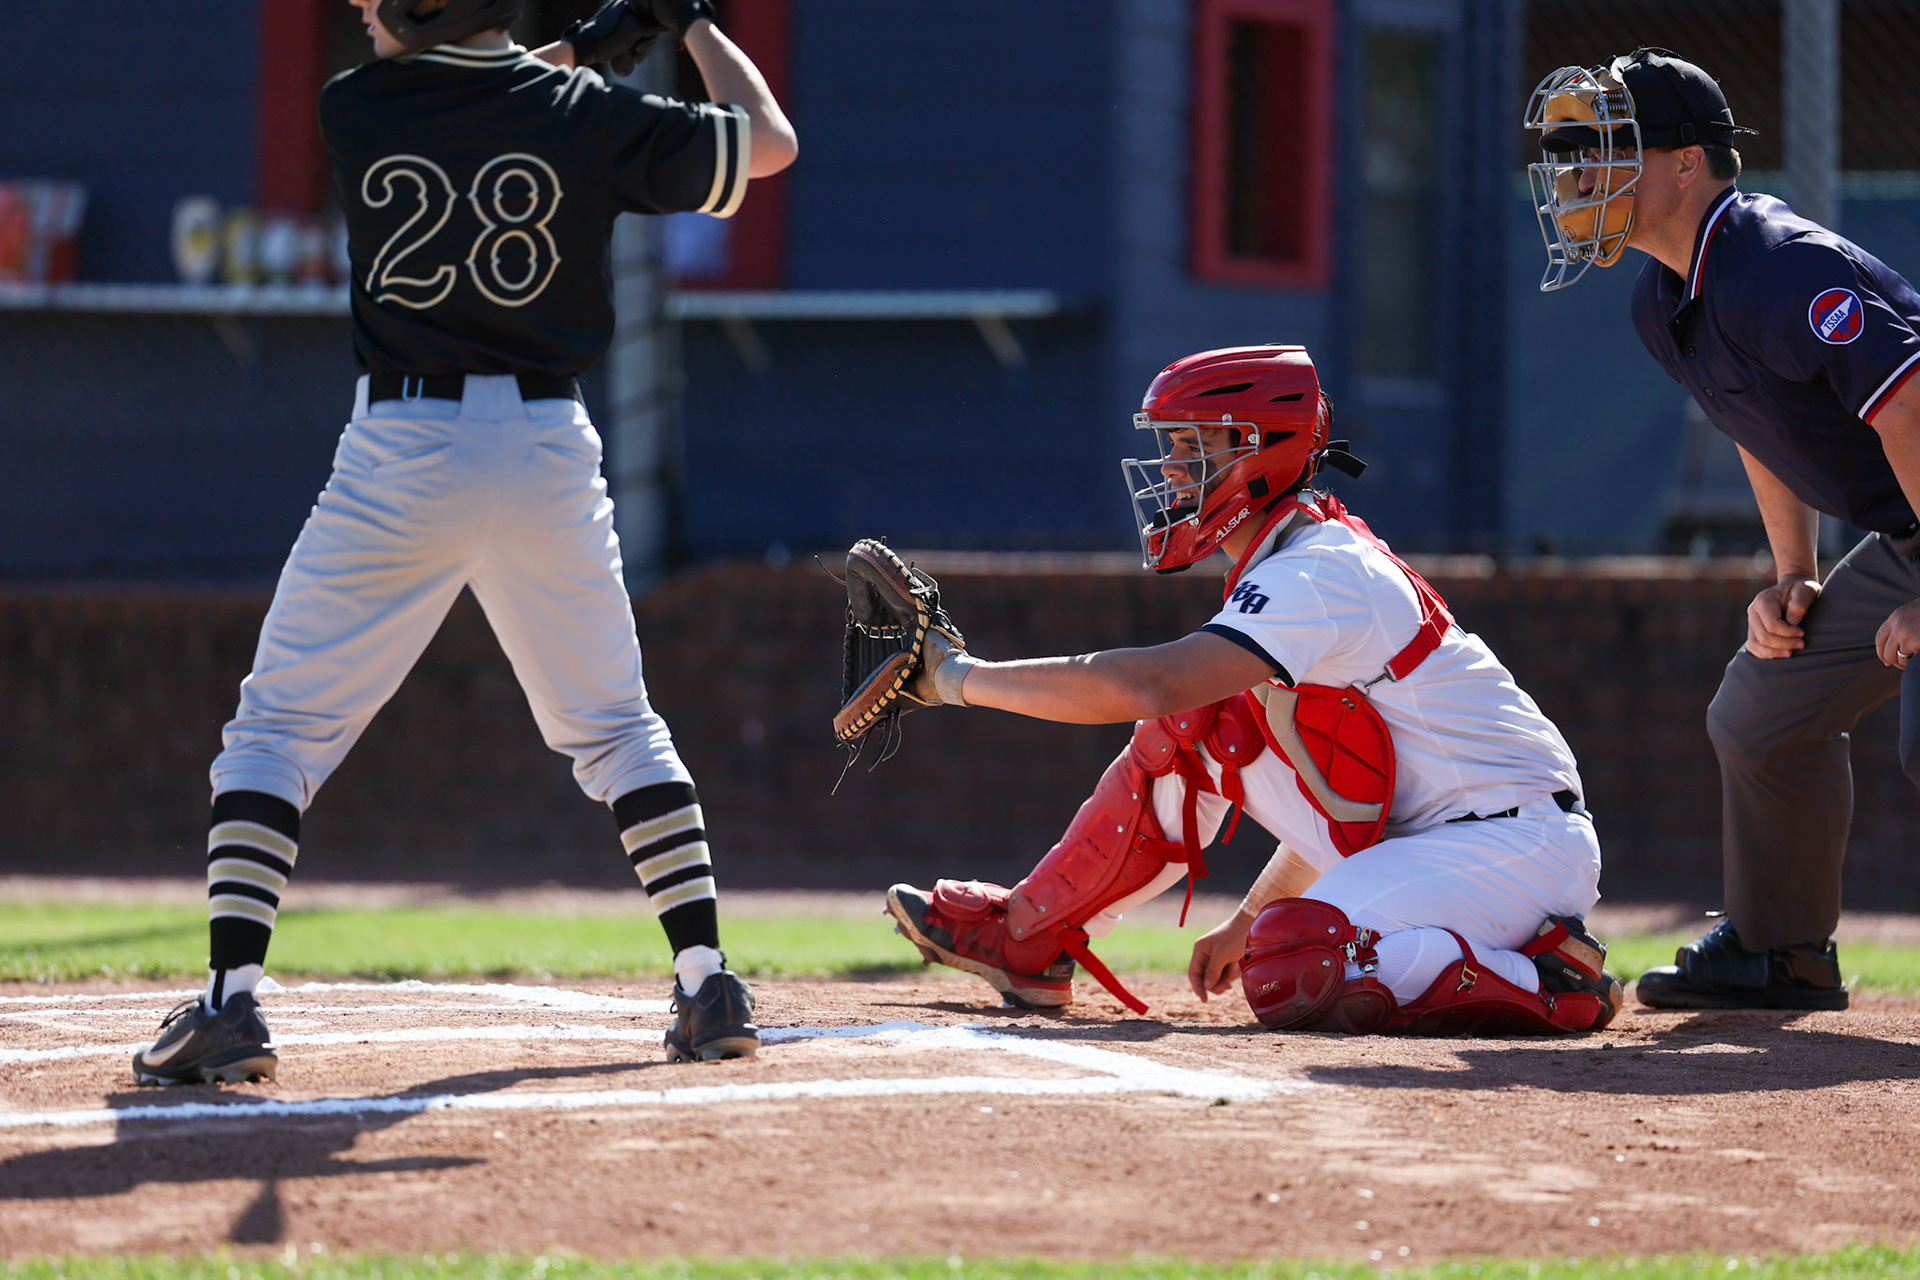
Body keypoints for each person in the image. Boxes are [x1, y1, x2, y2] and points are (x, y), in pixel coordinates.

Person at [132, 0, 796, 1084]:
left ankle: (231, 1001)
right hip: (546, 450)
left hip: (403, 448)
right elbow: (766, 142)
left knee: (278, 729)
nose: (362, 8)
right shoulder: (581, 111)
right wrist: (690, 25)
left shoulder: (356, 104)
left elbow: (479, 99)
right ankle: (709, 980)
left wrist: (581, 51)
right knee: (617, 726)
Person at [880, 345, 1622, 1036]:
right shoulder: (1292, 554)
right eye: (1172, 444)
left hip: (1516, 843)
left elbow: (1150, 682)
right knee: (1200, 727)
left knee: (1295, 962)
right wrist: (1247, 918)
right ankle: (1029, 936)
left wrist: (955, 679)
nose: (1172, 468)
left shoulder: (1317, 569)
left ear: (1261, 451)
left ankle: (1547, 975)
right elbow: (1346, 794)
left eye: (1193, 445)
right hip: (1439, 838)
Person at [1525, 49, 1920, 1010]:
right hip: (1908, 534)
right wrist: (1794, 572)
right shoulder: (1663, 297)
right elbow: (1756, 424)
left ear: (1686, 164)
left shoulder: (1778, 266)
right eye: (1577, 152)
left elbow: (1911, 407)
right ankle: (1780, 953)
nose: (1581, 173)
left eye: (1610, 147)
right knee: (1762, 708)